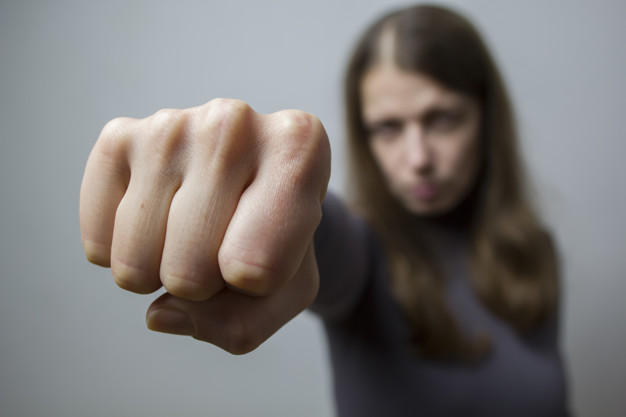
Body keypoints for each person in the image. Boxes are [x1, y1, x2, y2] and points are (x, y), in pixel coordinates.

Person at [80, 4, 569, 417]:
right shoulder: (363, 252)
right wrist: (269, 186)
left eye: (442, 119)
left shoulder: (534, 249)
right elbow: (321, 232)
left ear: (487, 119)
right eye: (388, 128)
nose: (419, 158)